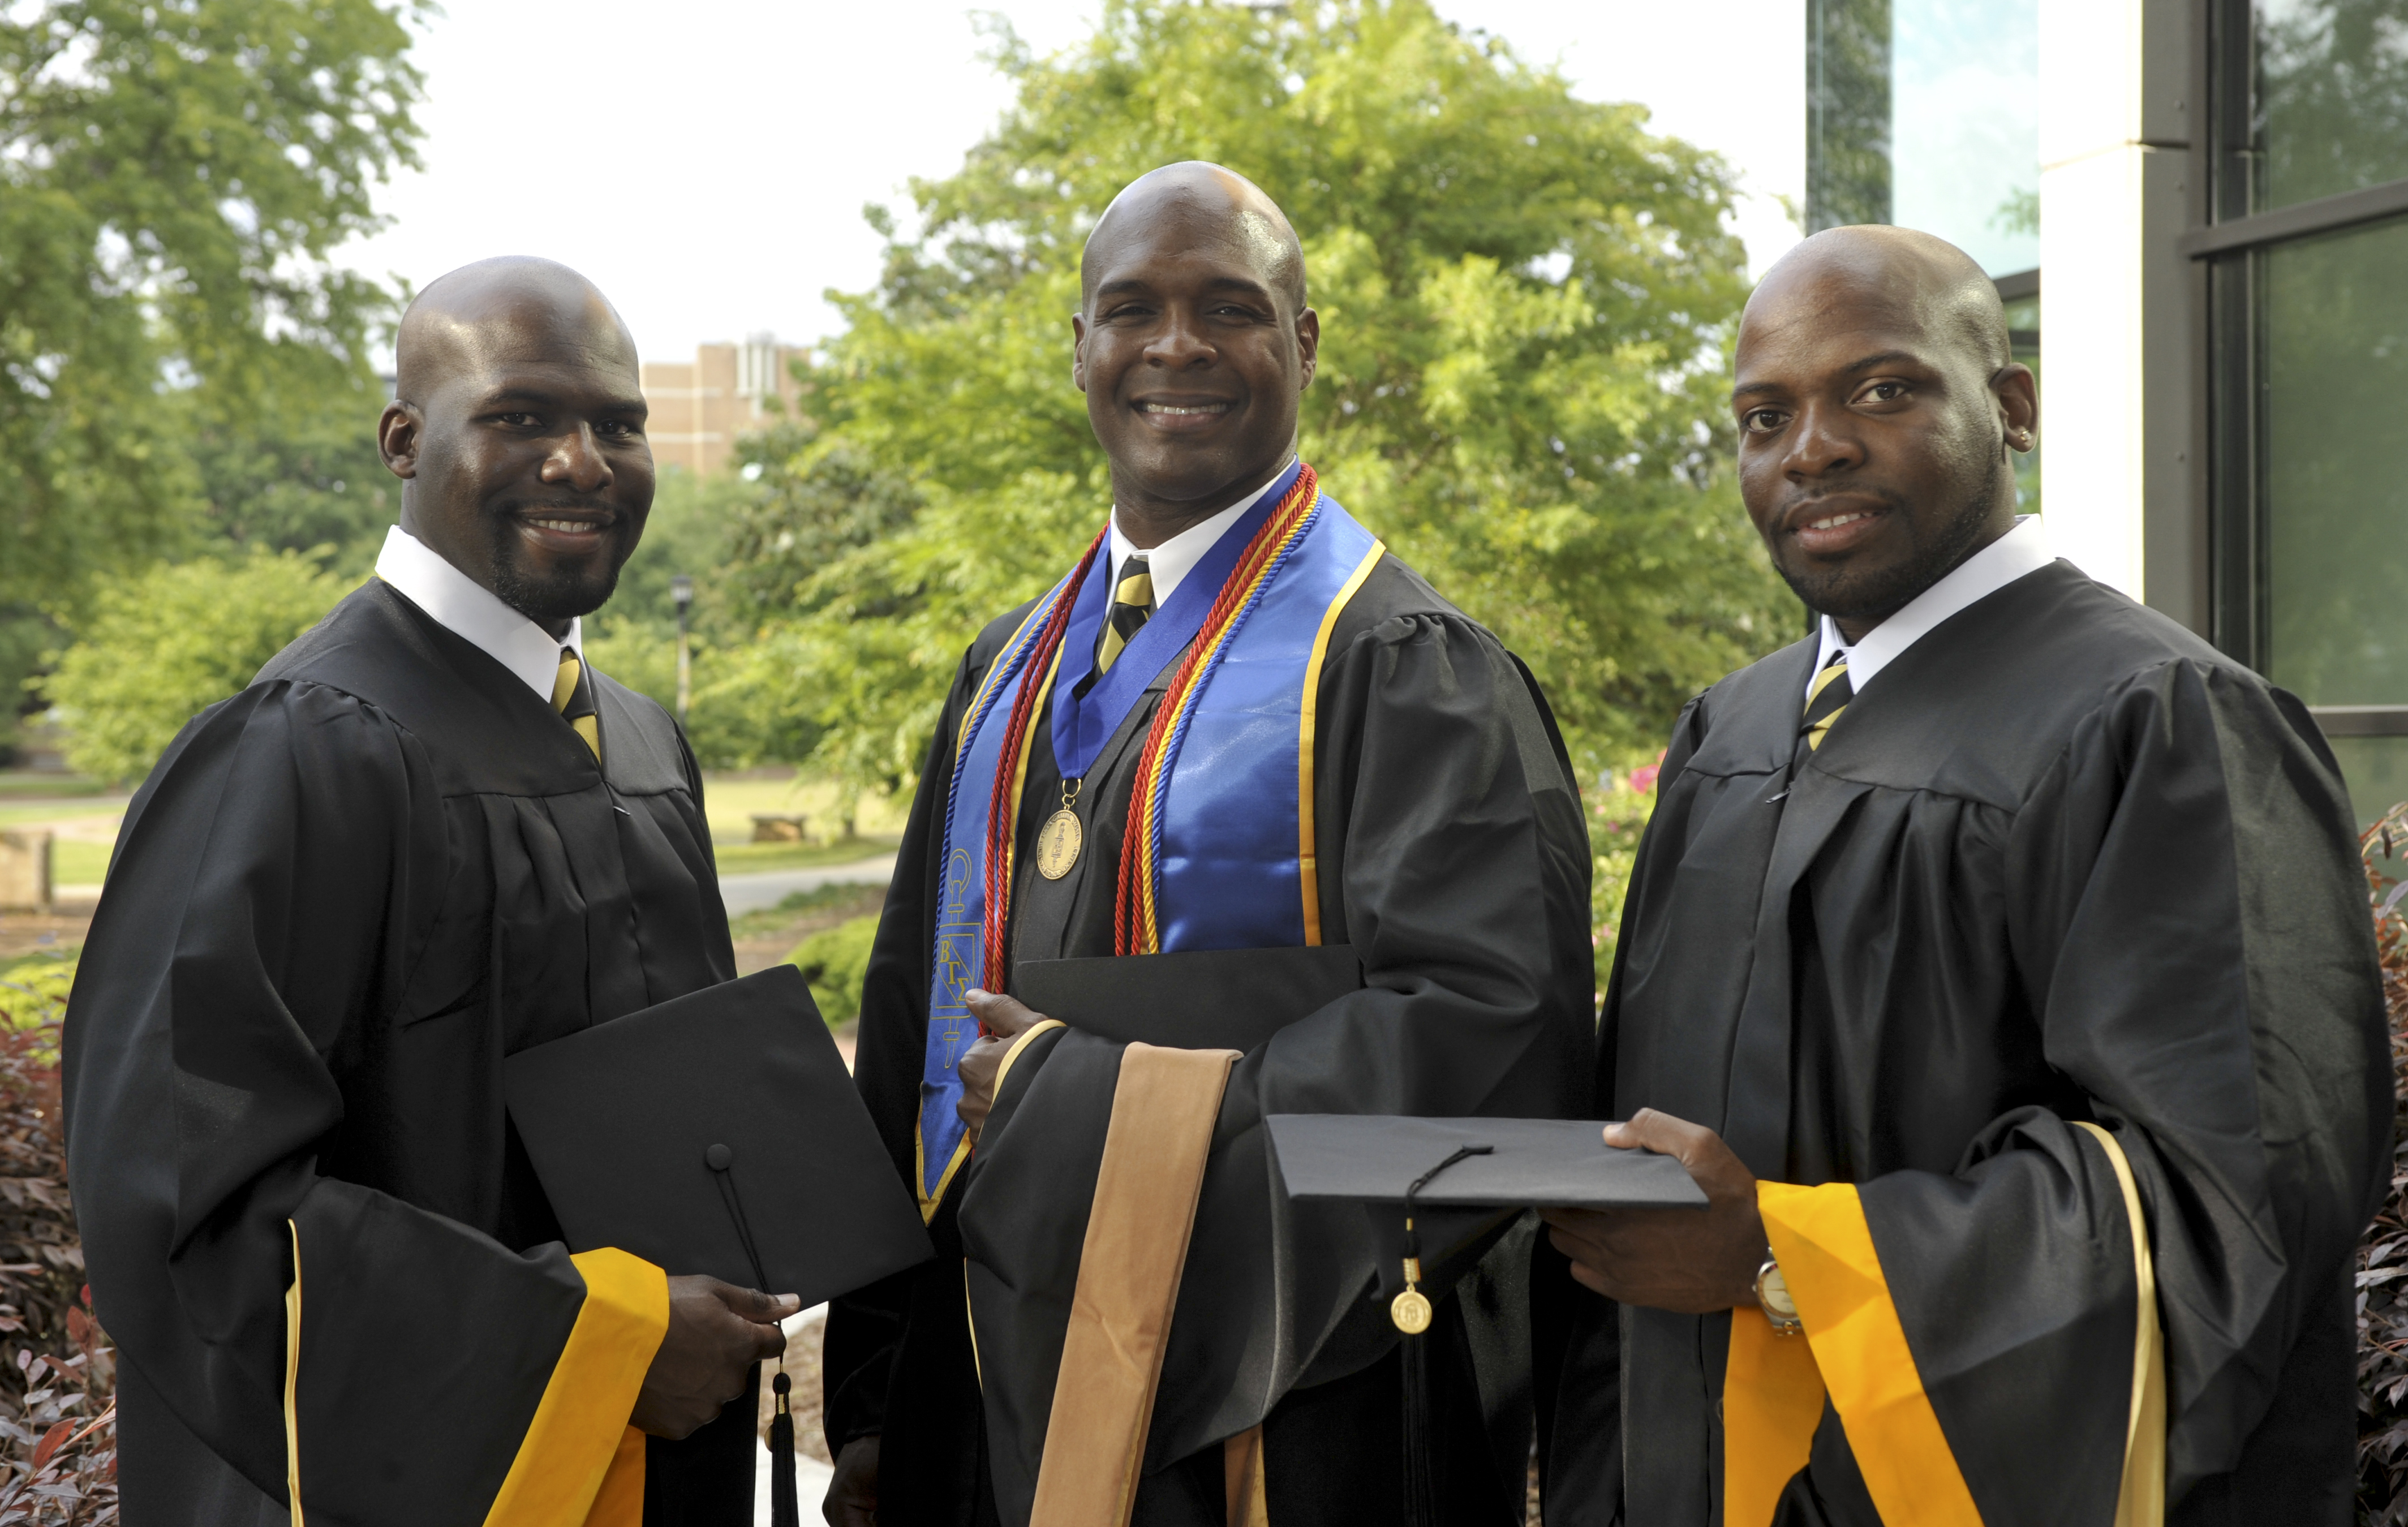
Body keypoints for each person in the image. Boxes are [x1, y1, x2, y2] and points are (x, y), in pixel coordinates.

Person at [1538, 225, 2389, 1525]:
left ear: (2012, 408)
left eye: (1881, 390)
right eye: (1765, 415)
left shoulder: (2159, 720)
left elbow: (2225, 1214)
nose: (1811, 447)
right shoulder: (1732, 732)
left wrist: (1778, 1255)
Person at [820, 162, 1594, 1527]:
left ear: (1301, 344)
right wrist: (883, 1392)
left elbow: (1490, 1041)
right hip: (986, 1369)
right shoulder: (1006, 669)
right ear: (1079, 351)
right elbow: (910, 1032)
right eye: (1132, 310)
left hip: (1282, 1392)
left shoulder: (1401, 666)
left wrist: (1083, 1102)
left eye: (1228, 308)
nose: (1176, 347)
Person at [64, 257, 796, 1525]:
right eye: (521, 416)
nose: (582, 462)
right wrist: (598, 1343)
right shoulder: (298, 750)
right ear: (405, 440)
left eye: (618, 425)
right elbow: (191, 1210)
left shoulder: (639, 743)